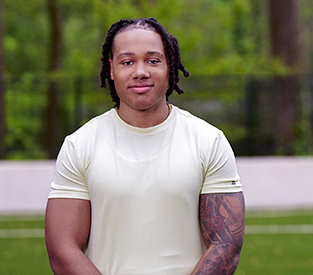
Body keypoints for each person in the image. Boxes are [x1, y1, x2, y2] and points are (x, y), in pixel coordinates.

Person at [44, 18, 245, 275]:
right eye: (127, 62)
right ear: (112, 68)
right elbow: (62, 249)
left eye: (152, 60)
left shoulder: (209, 141)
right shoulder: (79, 145)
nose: (140, 71)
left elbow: (226, 243)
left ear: (169, 65)